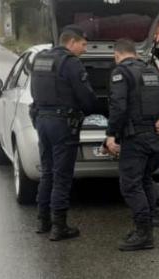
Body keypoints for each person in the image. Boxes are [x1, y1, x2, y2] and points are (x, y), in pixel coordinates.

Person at [106, 38, 159, 251]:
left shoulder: (121, 72)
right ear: (135, 53)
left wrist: (111, 135)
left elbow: (119, 107)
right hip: (152, 137)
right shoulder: (149, 71)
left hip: (134, 138)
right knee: (144, 180)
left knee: (130, 185)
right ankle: (149, 224)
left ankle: (144, 233)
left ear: (117, 54)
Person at [30, 25, 97, 241]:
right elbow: (86, 97)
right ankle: (60, 227)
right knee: (62, 175)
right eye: (83, 44)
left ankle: (43, 221)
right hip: (63, 124)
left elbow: (34, 92)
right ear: (71, 42)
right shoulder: (71, 63)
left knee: (47, 172)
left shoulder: (41, 60)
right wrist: (93, 112)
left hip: (42, 120)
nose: (84, 49)